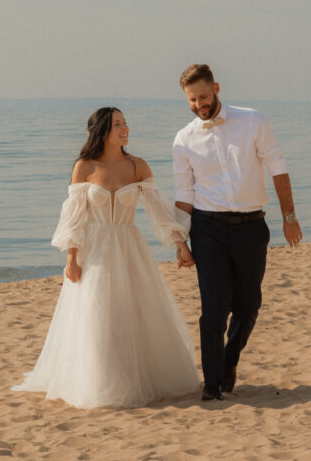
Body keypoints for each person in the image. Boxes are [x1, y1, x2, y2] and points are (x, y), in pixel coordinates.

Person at [12, 107, 200, 408]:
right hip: (95, 248)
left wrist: (180, 243)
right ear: (102, 131)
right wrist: (71, 258)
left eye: (126, 123)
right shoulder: (84, 167)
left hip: (129, 245)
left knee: (134, 311)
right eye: (117, 125)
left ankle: (136, 379)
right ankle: (100, 383)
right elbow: (75, 218)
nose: (125, 129)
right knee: (98, 314)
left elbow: (159, 212)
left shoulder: (137, 166)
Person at [172, 64, 303, 401]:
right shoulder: (184, 139)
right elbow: (184, 195)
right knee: (213, 310)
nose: (199, 103)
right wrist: (179, 241)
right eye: (191, 99)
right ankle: (212, 385)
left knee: (248, 306)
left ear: (216, 88)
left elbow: (278, 167)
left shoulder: (252, 120)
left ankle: (229, 360)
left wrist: (290, 216)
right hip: (207, 229)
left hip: (251, 227)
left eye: (203, 95)